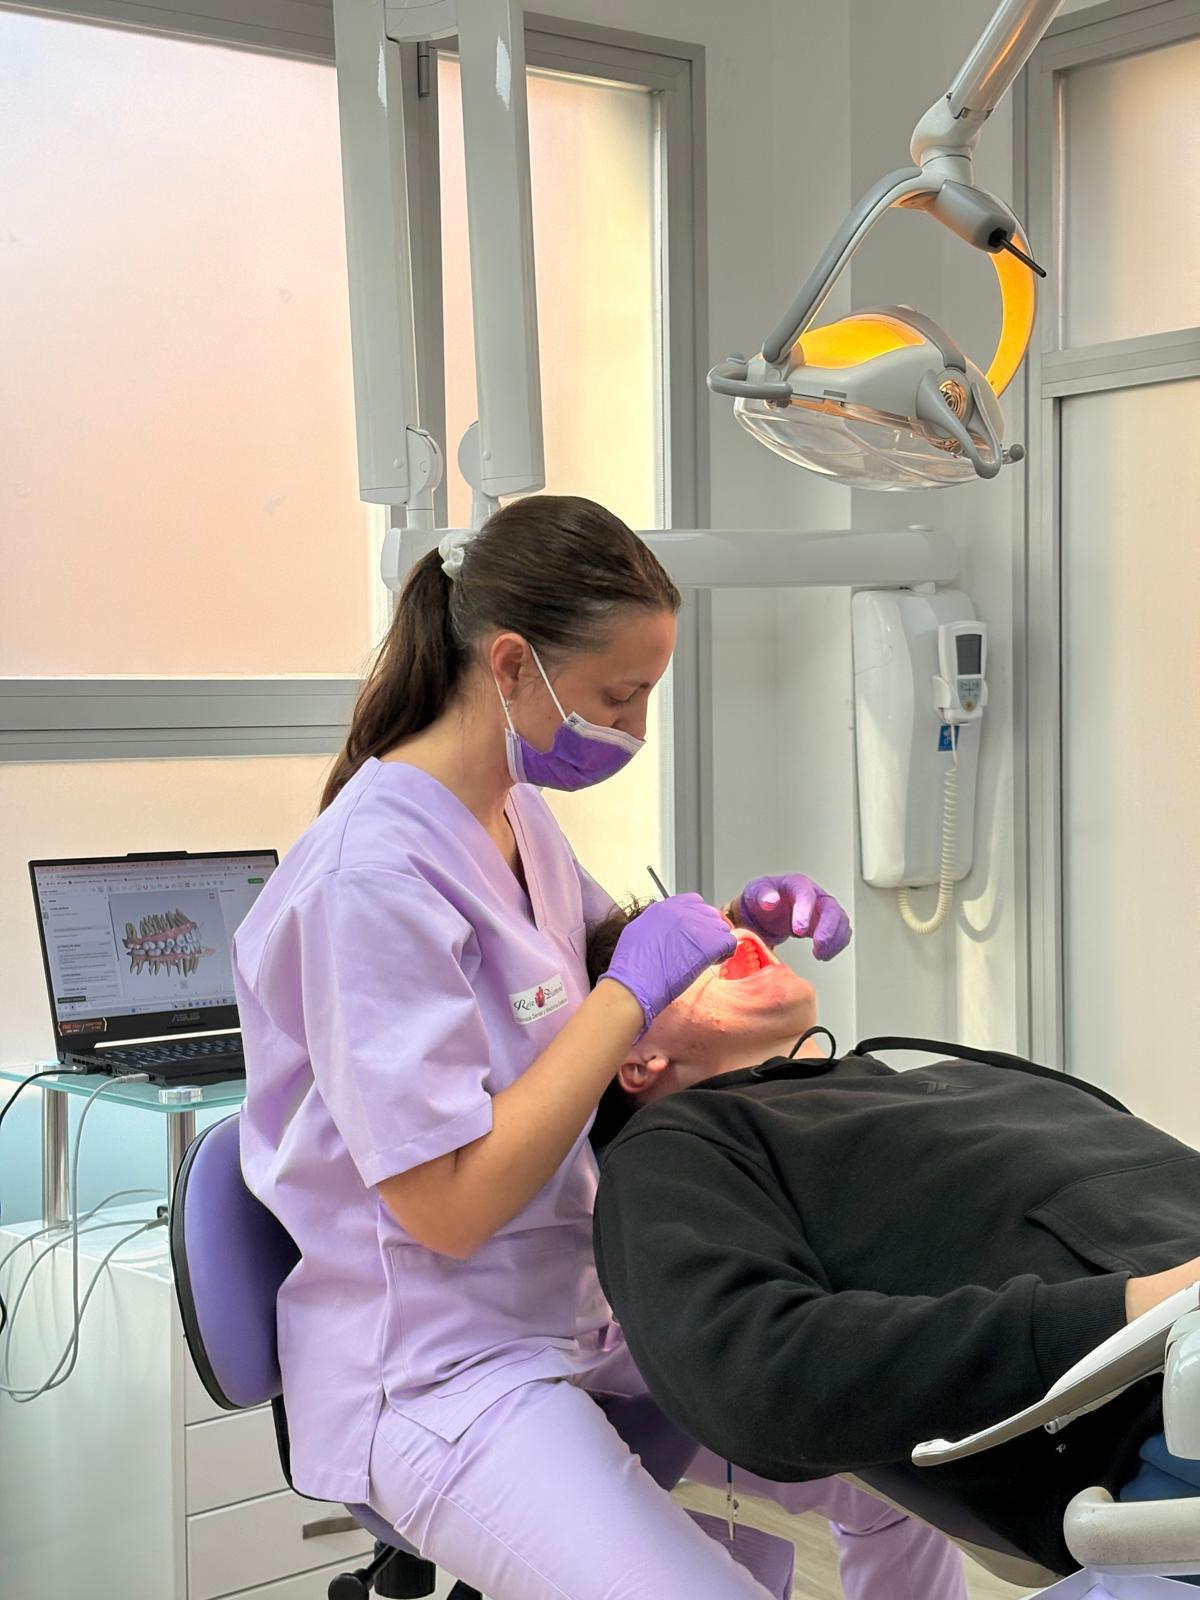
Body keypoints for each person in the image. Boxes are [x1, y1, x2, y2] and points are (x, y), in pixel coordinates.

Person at [232, 495, 855, 1600]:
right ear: (512, 664)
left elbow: (571, 1022)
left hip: (578, 1308)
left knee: (886, 1469)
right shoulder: (367, 882)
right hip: (438, 1372)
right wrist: (630, 988)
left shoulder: (515, 819)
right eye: (621, 696)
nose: (636, 730)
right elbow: (450, 1203)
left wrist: (724, 954)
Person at [587, 902, 1200, 1580]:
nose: (739, 942)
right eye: (688, 959)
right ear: (635, 1058)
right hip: (1159, 1407)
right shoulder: (677, 1152)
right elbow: (757, 1378)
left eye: (729, 932)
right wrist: (1137, 1306)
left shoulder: (952, 1083)